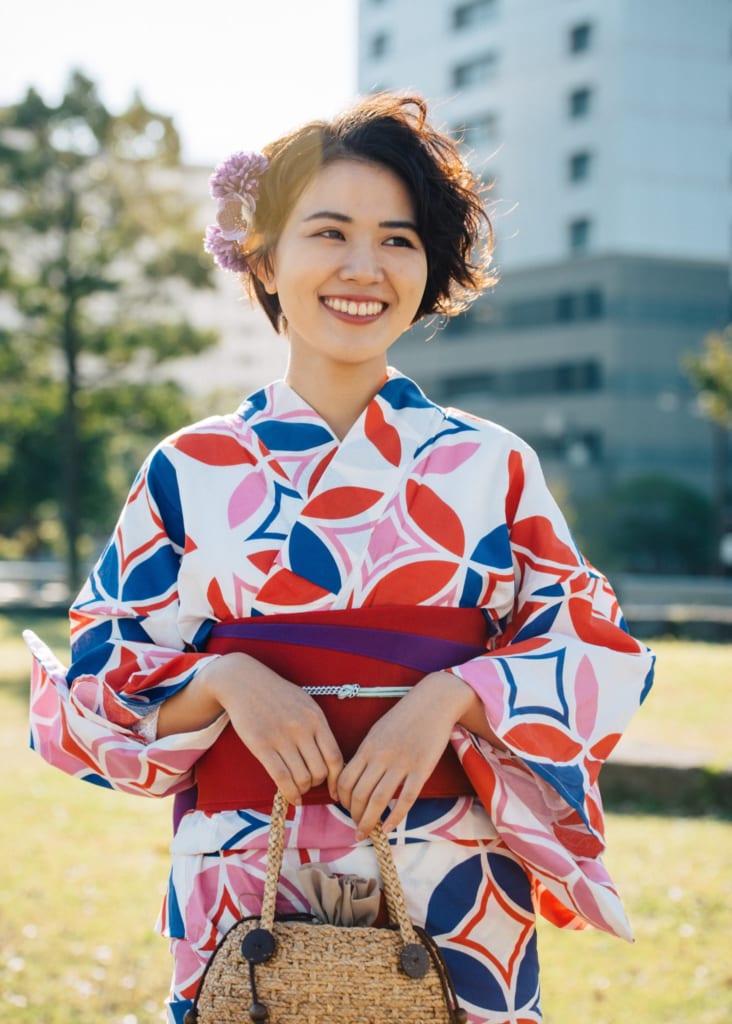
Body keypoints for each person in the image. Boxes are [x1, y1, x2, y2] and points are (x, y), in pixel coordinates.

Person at [27, 93, 655, 1023]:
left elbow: (595, 646)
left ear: (429, 266)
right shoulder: (189, 469)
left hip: (453, 862)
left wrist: (455, 696)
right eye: (330, 232)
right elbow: (92, 688)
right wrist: (227, 679)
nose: (365, 268)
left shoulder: (490, 465)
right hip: (245, 864)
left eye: (398, 240)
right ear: (265, 257)